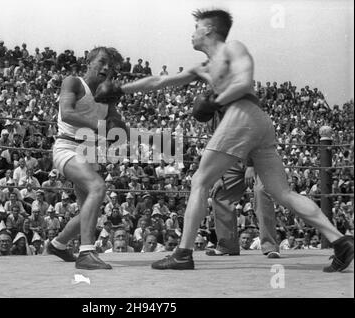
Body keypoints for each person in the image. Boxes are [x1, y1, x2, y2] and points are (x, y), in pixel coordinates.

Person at [95, 8, 353, 272]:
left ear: (208, 29)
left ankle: (183, 253)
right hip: (258, 121)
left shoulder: (233, 49)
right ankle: (340, 240)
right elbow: (160, 81)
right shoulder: (203, 67)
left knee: (200, 180)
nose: (191, 34)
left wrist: (215, 101)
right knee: (283, 193)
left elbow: (242, 82)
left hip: (242, 112)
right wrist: (120, 89)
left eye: (195, 28)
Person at [46, 46, 124, 270]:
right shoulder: (74, 82)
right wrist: (102, 127)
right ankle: (86, 253)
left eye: (111, 66)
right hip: (67, 146)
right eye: (102, 62)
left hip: (90, 152)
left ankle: (58, 244)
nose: (106, 68)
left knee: (89, 210)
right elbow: (67, 112)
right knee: (98, 187)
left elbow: (117, 126)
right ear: (89, 62)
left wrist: (122, 130)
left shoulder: (107, 96)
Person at [207, 163, 280, 258]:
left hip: (260, 158)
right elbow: (216, 150)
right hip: (234, 161)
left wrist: (251, 166)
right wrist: (218, 176)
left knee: (261, 192)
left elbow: (261, 147)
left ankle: (270, 247)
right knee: (219, 193)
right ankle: (227, 245)